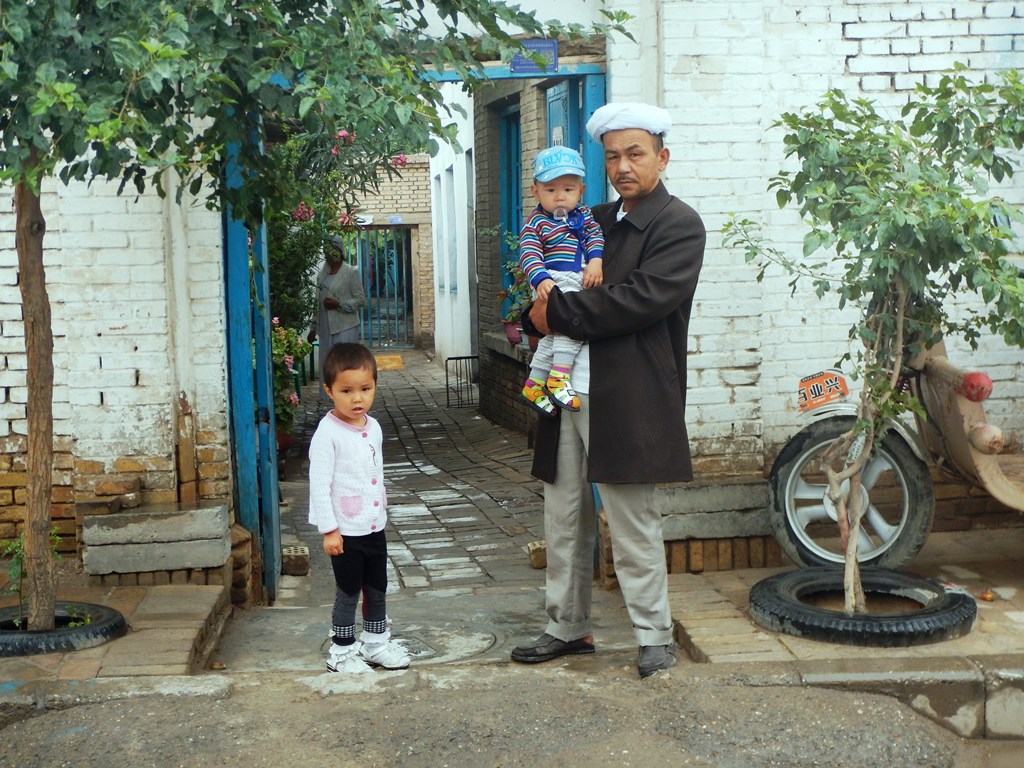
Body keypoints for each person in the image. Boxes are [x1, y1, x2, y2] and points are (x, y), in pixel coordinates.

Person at [512, 102, 706, 678]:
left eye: (635, 153)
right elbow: (538, 280)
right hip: (564, 387)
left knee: (631, 517)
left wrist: (554, 312)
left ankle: (653, 634)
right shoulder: (589, 217)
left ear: (661, 158)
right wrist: (535, 315)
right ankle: (566, 627)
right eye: (613, 156)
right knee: (563, 511)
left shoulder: (678, 224)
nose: (623, 166)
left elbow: (637, 301)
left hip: (629, 395)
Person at [308, 342, 410, 673]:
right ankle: (341, 653)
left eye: (365, 389)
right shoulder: (327, 434)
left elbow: (374, 473)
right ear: (329, 391)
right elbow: (320, 484)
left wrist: (380, 510)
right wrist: (329, 530)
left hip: (373, 526)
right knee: (348, 592)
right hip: (345, 531)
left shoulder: (374, 427)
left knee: (377, 588)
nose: (357, 399)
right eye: (347, 391)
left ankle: (376, 644)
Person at [517, 146, 605, 416]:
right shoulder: (537, 223)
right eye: (550, 190)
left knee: (552, 337)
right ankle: (559, 377)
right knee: (572, 325)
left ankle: (534, 383)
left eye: (568, 189)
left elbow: (594, 237)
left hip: (577, 276)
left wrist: (596, 261)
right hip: (553, 279)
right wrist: (540, 277)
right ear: (535, 191)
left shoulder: (585, 216)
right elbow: (529, 252)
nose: (559, 197)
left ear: (581, 190)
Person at [309, 235, 367, 397]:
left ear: (340, 250)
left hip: (345, 325)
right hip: (326, 326)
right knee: (328, 364)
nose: (329, 253)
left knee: (345, 363)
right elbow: (317, 302)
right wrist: (313, 328)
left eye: (332, 249)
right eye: (326, 250)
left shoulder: (350, 272)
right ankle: (331, 396)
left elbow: (360, 299)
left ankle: (348, 394)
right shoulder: (323, 275)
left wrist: (339, 304)